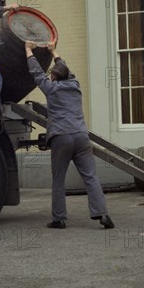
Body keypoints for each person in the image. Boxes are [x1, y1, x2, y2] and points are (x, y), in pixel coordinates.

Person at [25, 40, 114, 230]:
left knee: (58, 179)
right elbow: (65, 69)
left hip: (61, 137)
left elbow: (36, 73)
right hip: (81, 136)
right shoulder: (75, 85)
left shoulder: (51, 89)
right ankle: (103, 215)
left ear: (54, 78)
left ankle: (59, 219)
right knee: (91, 176)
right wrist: (54, 51)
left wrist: (28, 50)